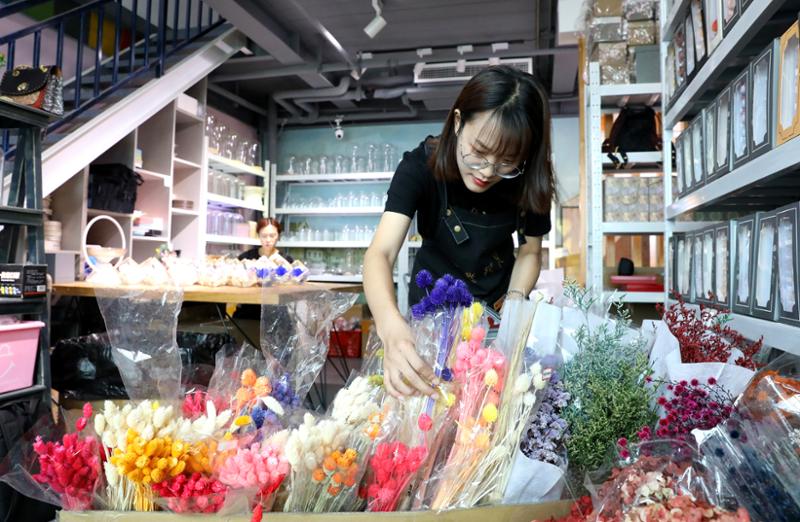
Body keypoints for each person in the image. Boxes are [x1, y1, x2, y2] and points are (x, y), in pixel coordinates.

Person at [363, 65, 555, 398]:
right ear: (457, 122)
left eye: (506, 162)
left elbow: (530, 250)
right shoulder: (420, 167)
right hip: (430, 317)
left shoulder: (528, 176)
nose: (488, 172)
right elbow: (380, 253)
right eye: (478, 152)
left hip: (495, 315)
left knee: (485, 408)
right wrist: (390, 326)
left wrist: (513, 307)